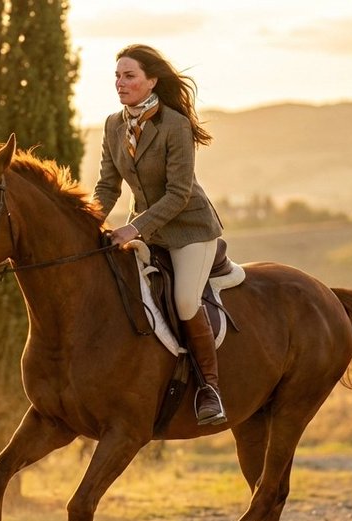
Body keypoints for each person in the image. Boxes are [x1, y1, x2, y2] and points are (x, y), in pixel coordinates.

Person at [93, 44, 226, 426]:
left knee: (185, 301)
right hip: (149, 231)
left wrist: (134, 227)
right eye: (117, 76)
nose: (120, 83)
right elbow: (107, 187)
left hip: (190, 230)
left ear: (152, 80)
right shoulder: (113, 125)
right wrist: (87, 221)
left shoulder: (175, 125)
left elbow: (179, 193)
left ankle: (209, 389)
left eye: (129, 75)